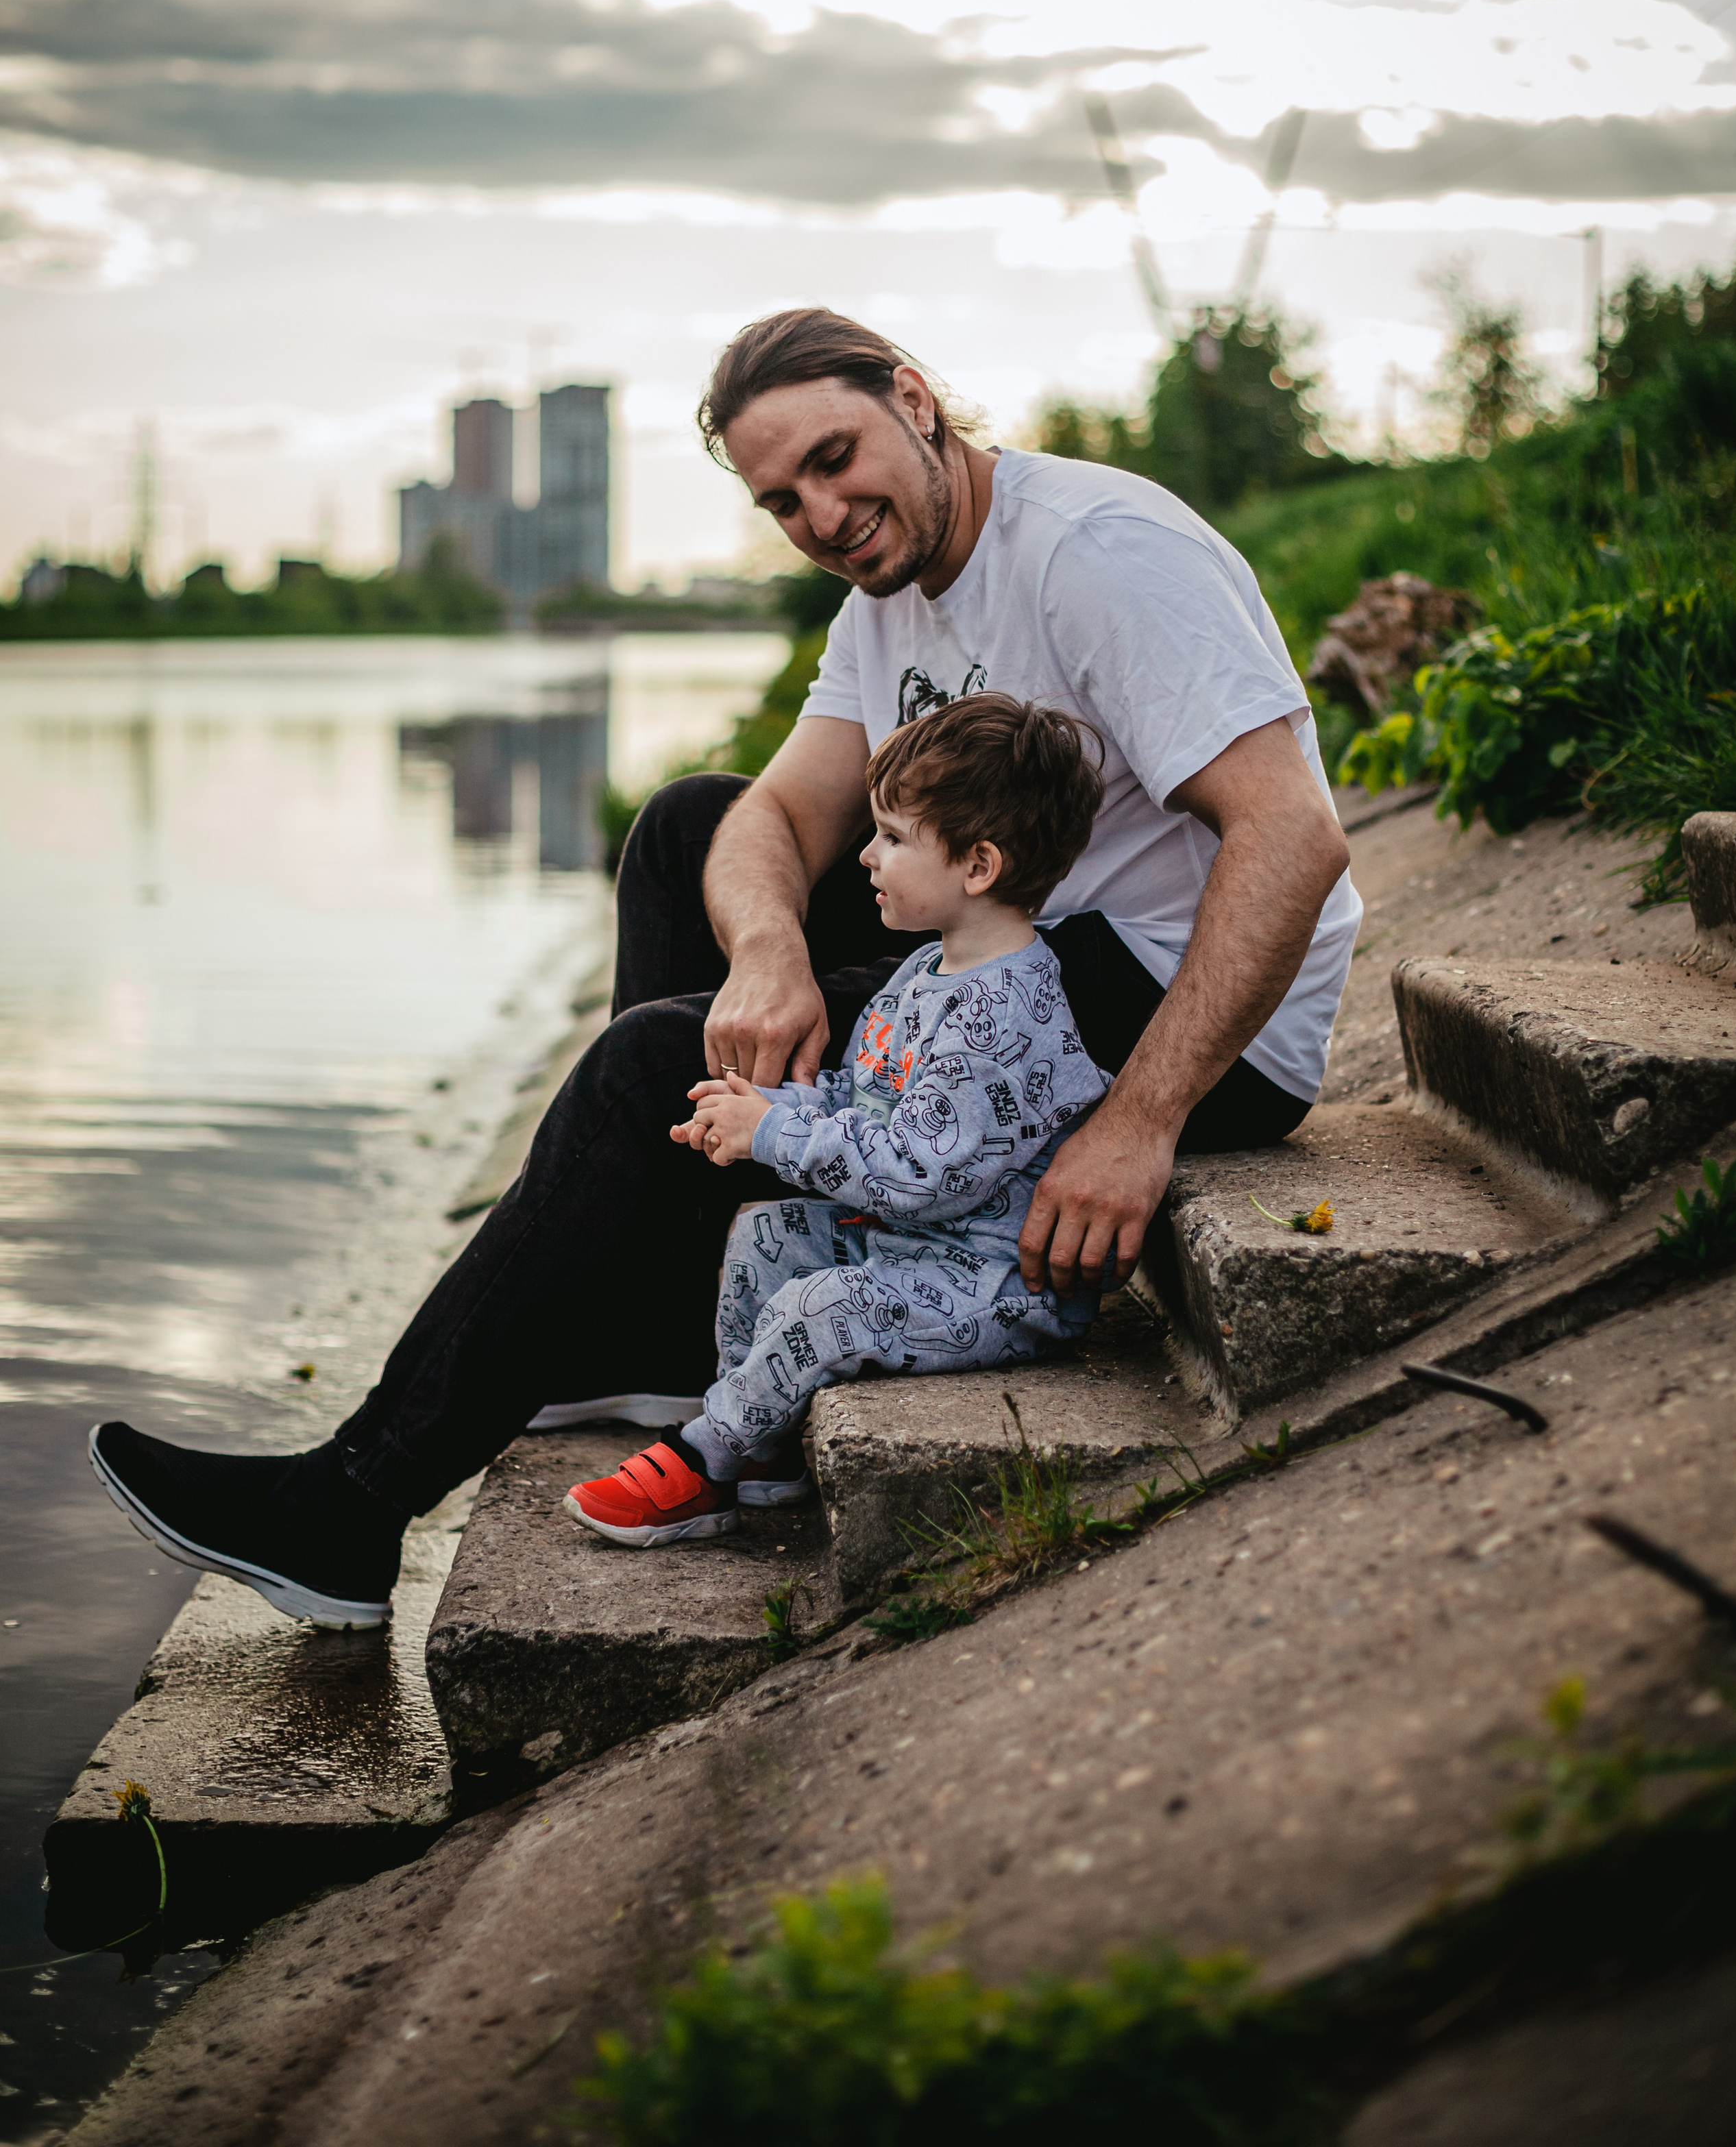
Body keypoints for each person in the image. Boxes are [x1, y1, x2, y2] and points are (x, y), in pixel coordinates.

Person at [87, 306, 1357, 1632]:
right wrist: (766, 956)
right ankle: (657, 1333)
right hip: (1020, 953)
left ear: (915, 402)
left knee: (650, 1068)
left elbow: (1291, 833)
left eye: (834, 455)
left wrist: (1140, 1119)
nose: (821, 511)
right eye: (780, 498)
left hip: (1171, 1007)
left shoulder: (1095, 554)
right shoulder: (887, 602)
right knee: (687, 826)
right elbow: (769, 819)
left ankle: (348, 1509)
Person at [565, 693, 1112, 1547]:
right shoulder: (925, 971)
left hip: (993, 1284)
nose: (865, 855)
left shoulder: (1000, 1018)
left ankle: (707, 1456)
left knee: (825, 1301)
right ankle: (762, 1441)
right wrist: (763, 1107)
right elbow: (860, 1099)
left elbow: (914, 1175)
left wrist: (775, 1137)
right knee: (764, 1237)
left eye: (893, 837)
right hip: (919, 1248)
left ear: (978, 866)